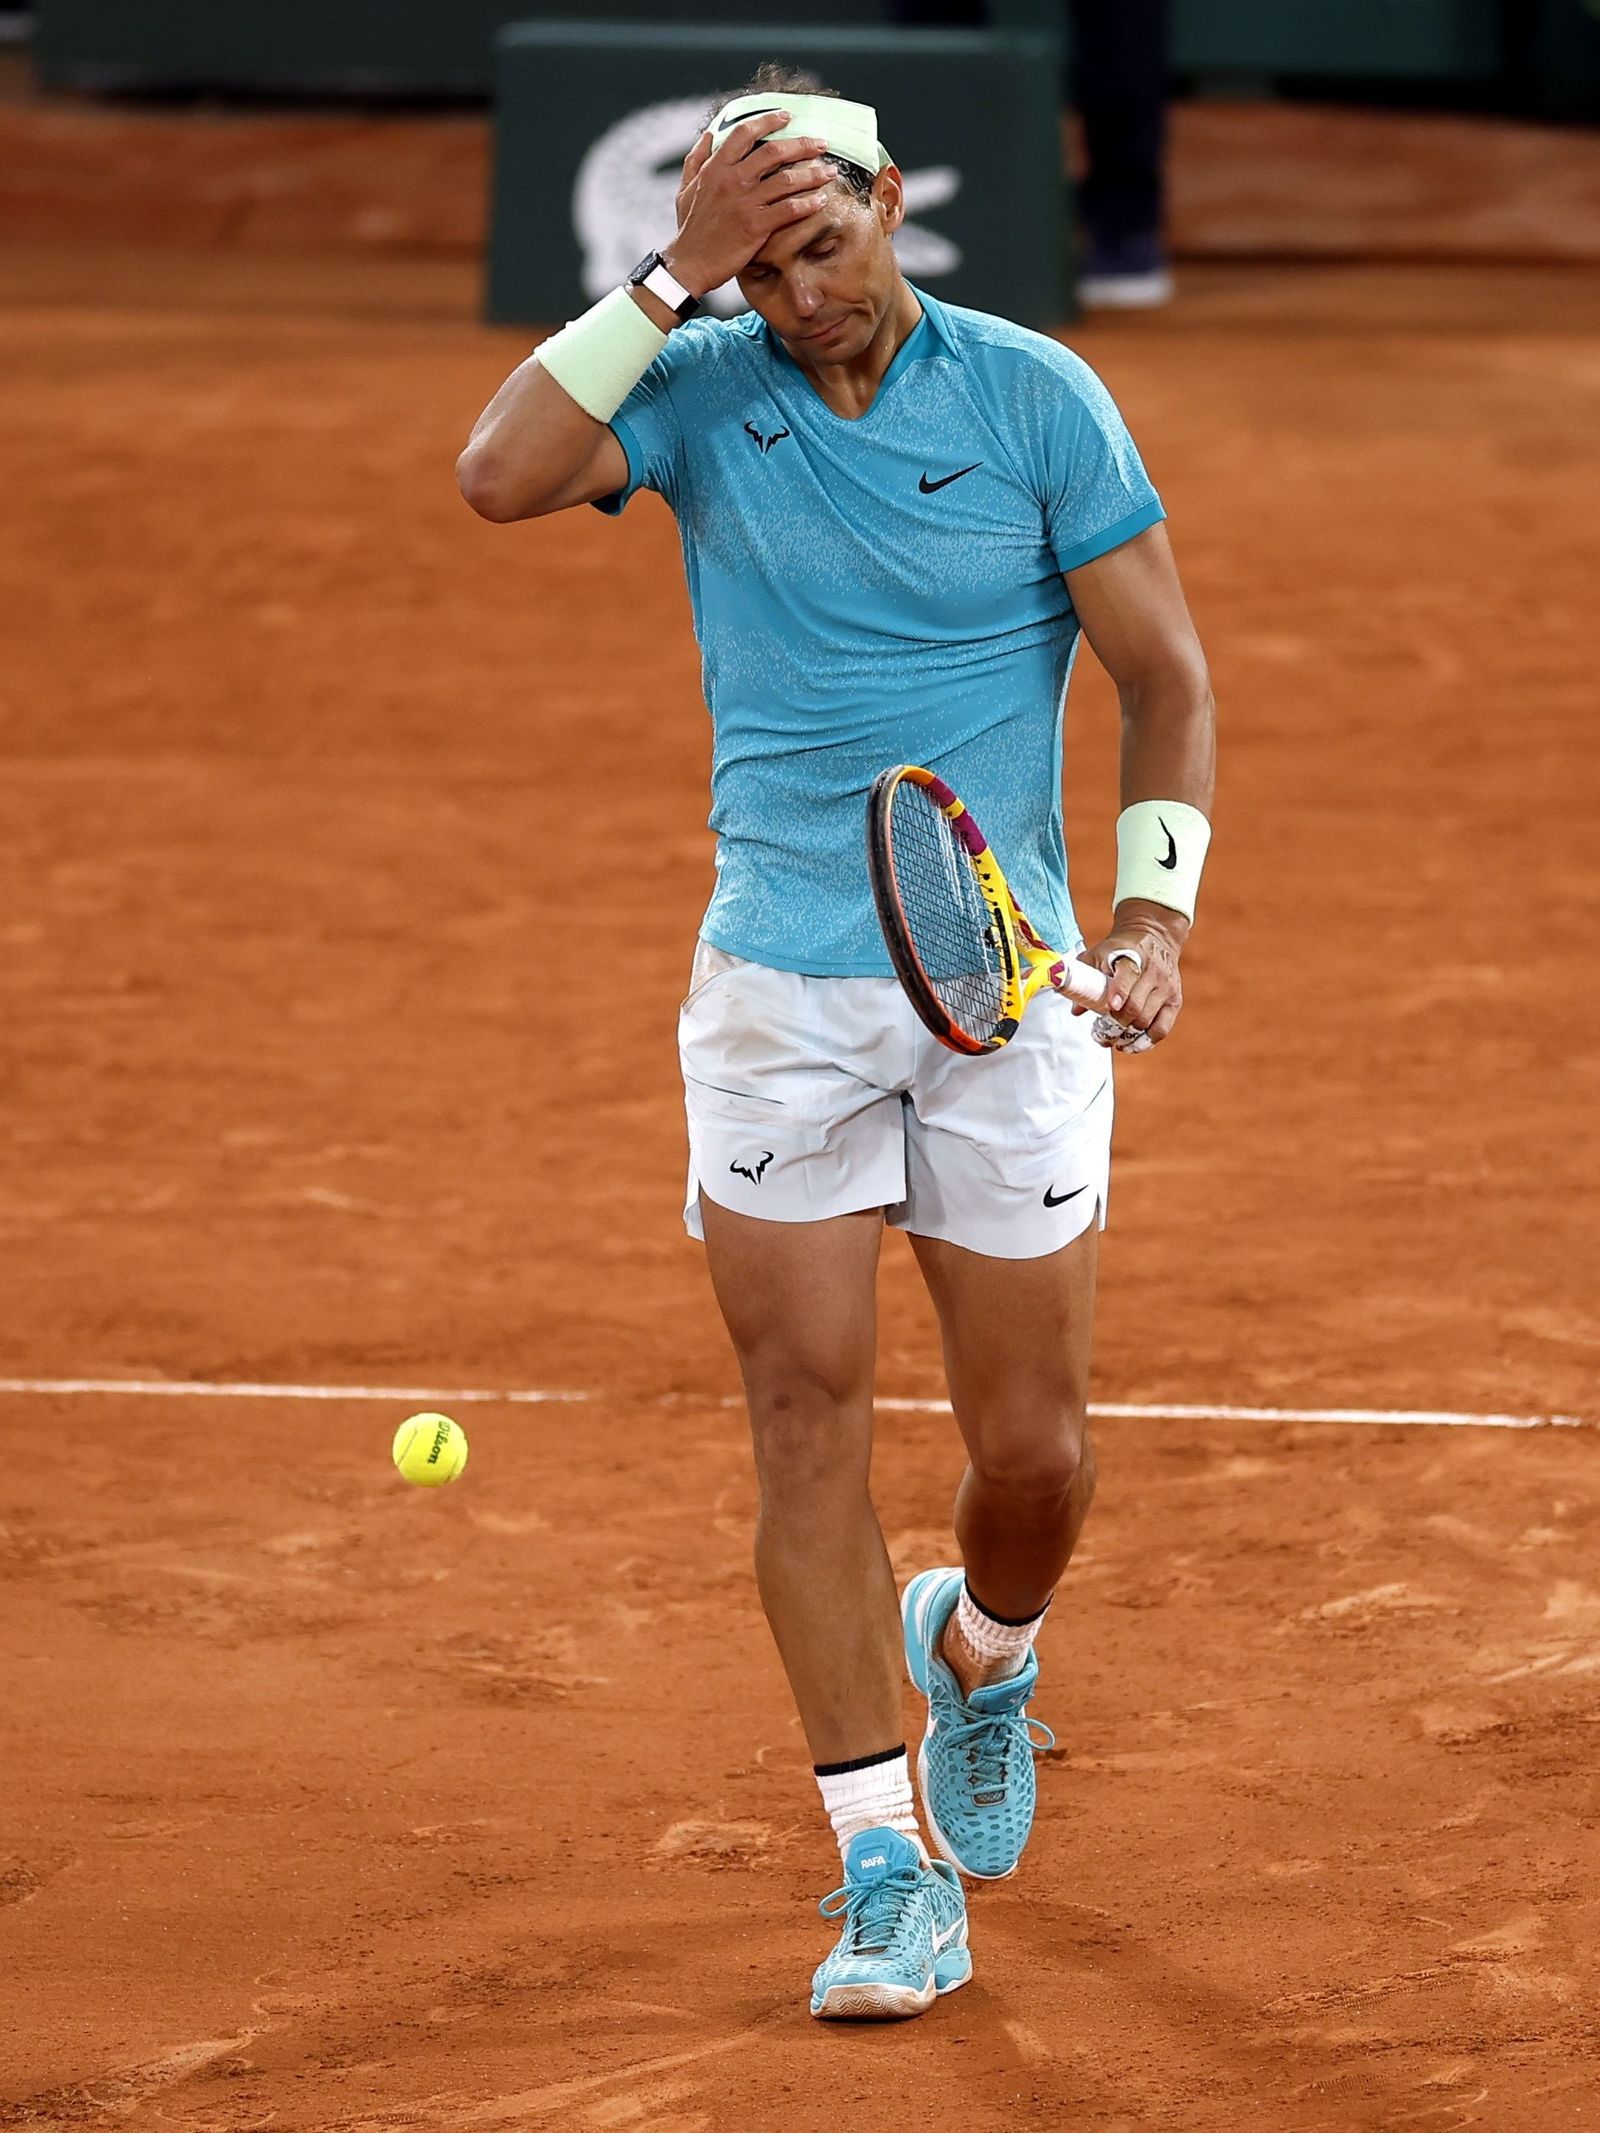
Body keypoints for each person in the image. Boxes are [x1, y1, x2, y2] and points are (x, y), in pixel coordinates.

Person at [457, 64, 1214, 2023]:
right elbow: (495, 472)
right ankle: (884, 1861)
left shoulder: (1035, 391)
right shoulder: (697, 389)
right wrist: (665, 278)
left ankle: (981, 1635)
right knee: (800, 1417)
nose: (800, 295)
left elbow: (1162, 677)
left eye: (822, 243)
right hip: (777, 1000)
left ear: (892, 202)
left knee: (1030, 1453)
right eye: (761, 267)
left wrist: (1148, 912)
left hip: (1000, 994)